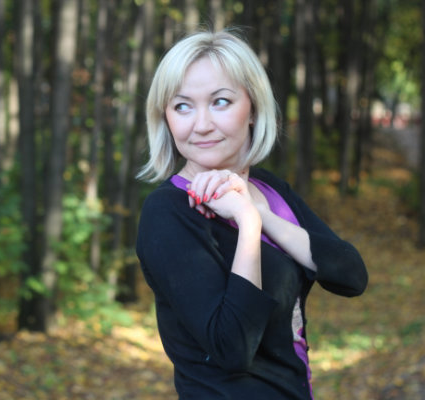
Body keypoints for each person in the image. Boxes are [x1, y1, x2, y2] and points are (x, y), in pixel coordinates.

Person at [135, 30, 368, 400]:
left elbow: (351, 276)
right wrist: (248, 225)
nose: (201, 124)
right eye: (182, 106)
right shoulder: (168, 212)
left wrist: (260, 213)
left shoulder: (270, 190)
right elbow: (232, 349)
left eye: (220, 102)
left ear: (254, 109)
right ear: (165, 118)